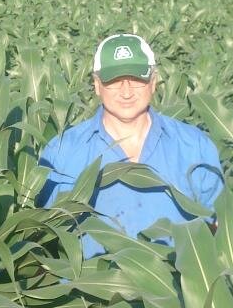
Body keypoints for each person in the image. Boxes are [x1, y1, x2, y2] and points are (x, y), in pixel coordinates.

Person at [38, 33, 223, 258]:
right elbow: (44, 237)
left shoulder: (194, 146)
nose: (126, 91)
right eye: (114, 80)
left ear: (153, 82)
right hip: (90, 288)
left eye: (136, 79)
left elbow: (218, 227)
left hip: (176, 289)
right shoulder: (62, 153)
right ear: (97, 85)